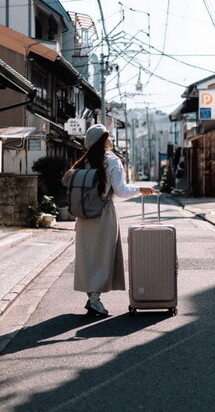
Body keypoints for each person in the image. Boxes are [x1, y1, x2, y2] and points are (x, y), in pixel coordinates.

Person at [69, 123, 157, 317]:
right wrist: (141, 190)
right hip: (103, 213)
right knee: (104, 256)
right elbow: (121, 190)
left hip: (83, 216)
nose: (112, 140)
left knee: (88, 258)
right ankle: (94, 301)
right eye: (109, 137)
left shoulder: (83, 162)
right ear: (102, 140)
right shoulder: (112, 161)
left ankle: (92, 298)